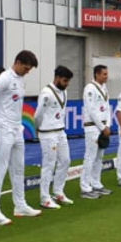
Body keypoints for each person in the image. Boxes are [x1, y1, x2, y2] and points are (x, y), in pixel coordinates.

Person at [0, 50, 42, 224]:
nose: (28, 71)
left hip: (17, 128)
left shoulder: (21, 79)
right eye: (26, 67)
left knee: (19, 168)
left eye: (30, 69)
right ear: (17, 62)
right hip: (3, 128)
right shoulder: (4, 79)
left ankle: (20, 205)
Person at [35, 65, 74, 208]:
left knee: (66, 161)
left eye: (68, 81)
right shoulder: (46, 93)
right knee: (49, 164)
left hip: (60, 131)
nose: (66, 84)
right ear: (57, 78)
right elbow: (38, 113)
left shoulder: (64, 92)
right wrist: (38, 128)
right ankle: (44, 198)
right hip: (47, 133)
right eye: (64, 81)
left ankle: (58, 191)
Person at [81, 64, 114, 197]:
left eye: (107, 73)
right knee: (90, 157)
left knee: (99, 157)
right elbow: (92, 110)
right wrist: (102, 126)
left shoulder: (104, 88)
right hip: (92, 127)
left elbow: (106, 108)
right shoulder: (90, 88)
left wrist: (108, 125)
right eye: (104, 74)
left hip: (103, 127)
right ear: (97, 74)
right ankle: (85, 187)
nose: (107, 76)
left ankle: (96, 183)